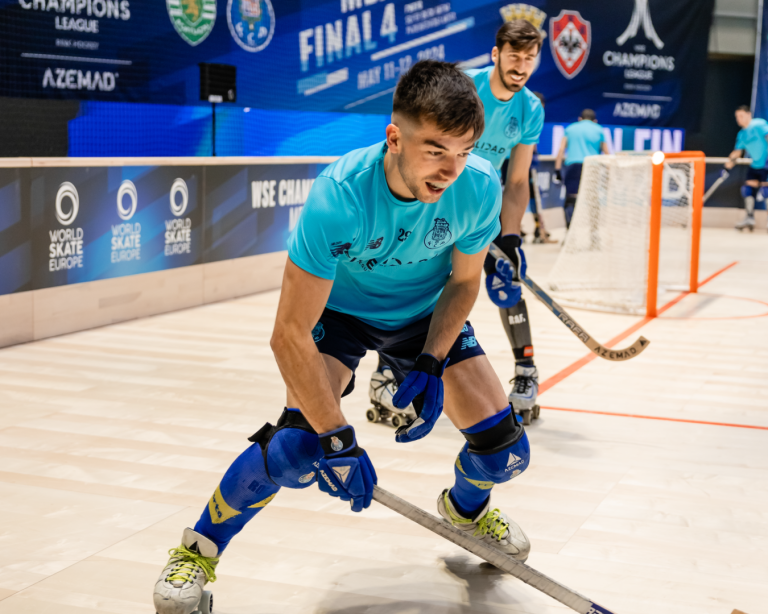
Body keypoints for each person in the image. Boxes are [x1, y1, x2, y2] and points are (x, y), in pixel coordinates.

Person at [152, 60, 533, 614]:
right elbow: (289, 333)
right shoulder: (340, 195)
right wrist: (335, 438)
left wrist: (431, 360)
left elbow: (464, 282)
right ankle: (196, 553)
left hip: (424, 315)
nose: (450, 169)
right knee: (296, 449)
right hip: (342, 316)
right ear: (395, 137)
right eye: (435, 150)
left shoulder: (477, 187)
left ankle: (466, 512)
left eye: (463, 151)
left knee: (505, 453)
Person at [369, 20, 546, 425]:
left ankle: (526, 371)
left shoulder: (530, 109)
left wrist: (511, 237)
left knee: (506, 279)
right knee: (421, 283)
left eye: (529, 58)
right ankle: (386, 373)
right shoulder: (466, 89)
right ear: (496, 54)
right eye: (514, 56)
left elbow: (518, 181)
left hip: (478, 203)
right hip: (433, 198)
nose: (521, 66)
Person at [554, 109, 609, 228]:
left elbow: (561, 150)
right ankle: (593, 231)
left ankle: (570, 230)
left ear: (579, 119)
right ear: (595, 121)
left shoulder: (570, 129)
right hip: (592, 167)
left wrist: (557, 170)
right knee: (593, 199)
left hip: (573, 167)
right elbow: (607, 153)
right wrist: (608, 172)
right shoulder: (599, 129)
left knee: (571, 199)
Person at [725, 105, 768, 231]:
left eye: (741, 116)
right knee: (747, 189)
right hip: (755, 164)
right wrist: (729, 163)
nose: (738, 119)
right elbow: (737, 152)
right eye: (737, 117)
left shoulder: (758, 125)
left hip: (766, 163)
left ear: (749, 115)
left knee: (766, 191)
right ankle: (749, 218)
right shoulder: (742, 134)